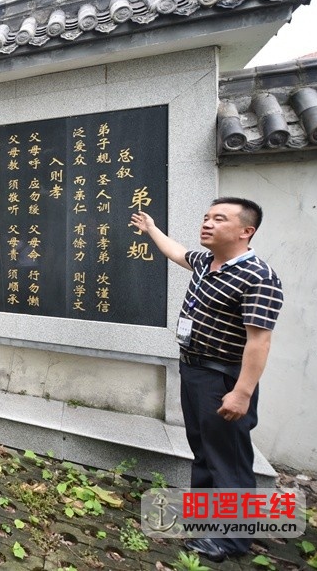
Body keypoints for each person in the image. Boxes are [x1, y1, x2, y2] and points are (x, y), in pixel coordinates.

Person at [130, 198, 283, 563]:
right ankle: (204, 520)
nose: (208, 224)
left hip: (223, 376)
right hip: (195, 369)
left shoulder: (258, 276)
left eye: (220, 219)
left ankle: (231, 540)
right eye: (206, 217)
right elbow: (177, 252)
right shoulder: (206, 264)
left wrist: (242, 393)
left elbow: (259, 340)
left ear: (247, 231)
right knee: (203, 450)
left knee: (227, 457)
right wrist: (152, 230)